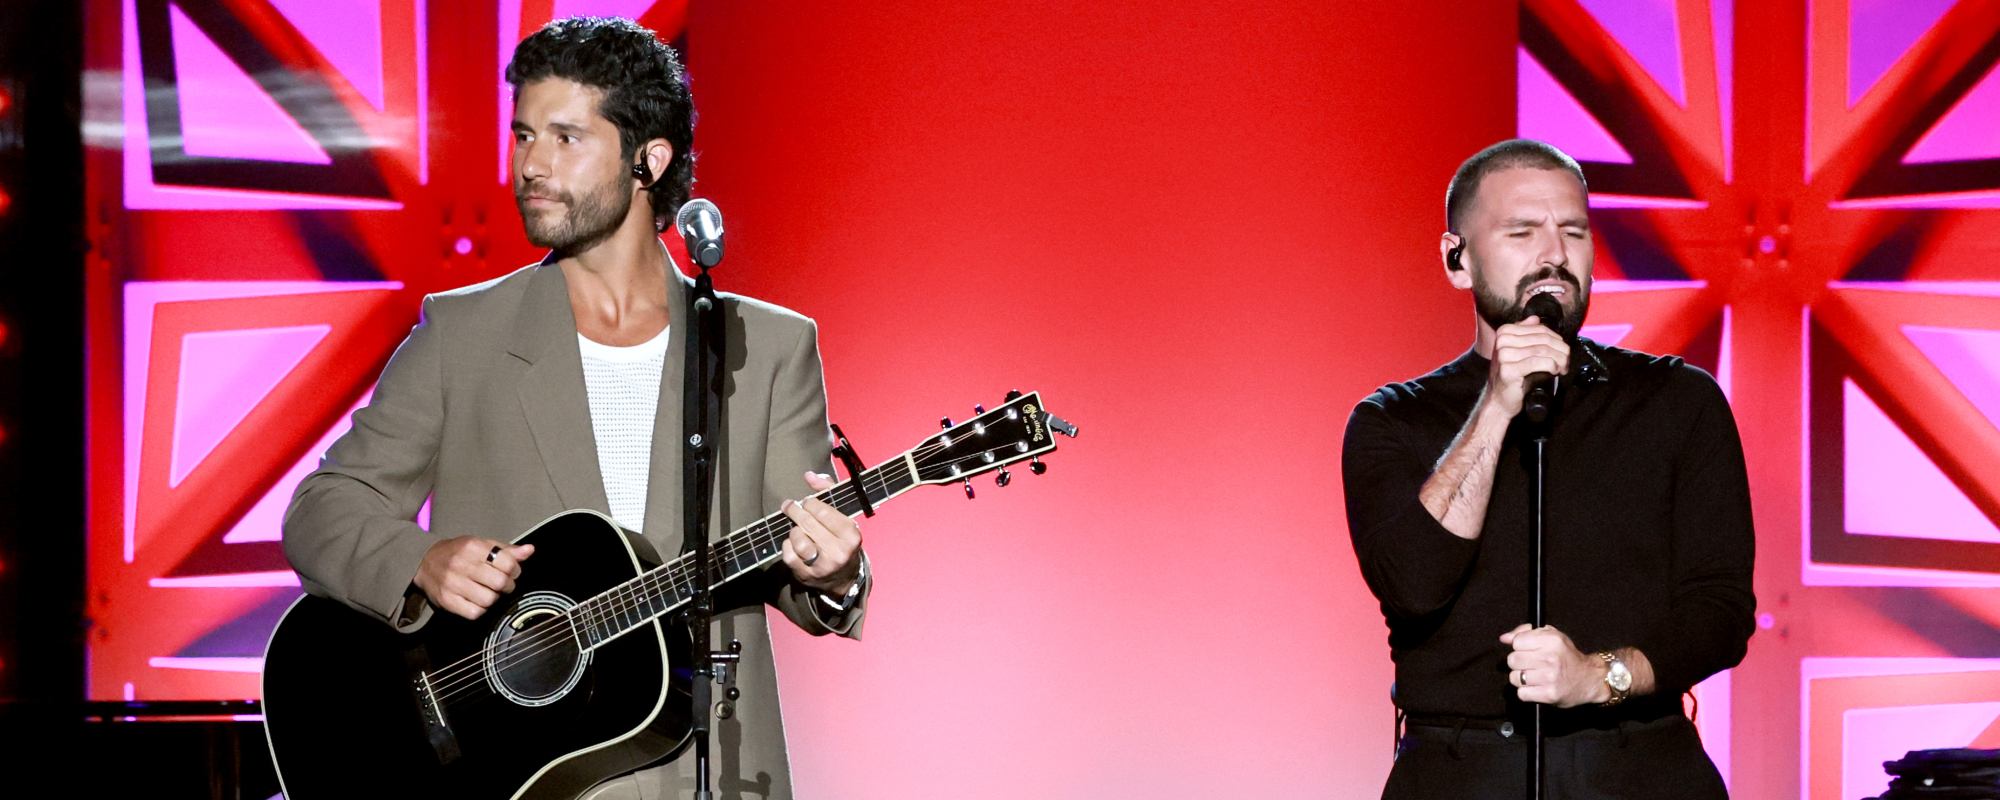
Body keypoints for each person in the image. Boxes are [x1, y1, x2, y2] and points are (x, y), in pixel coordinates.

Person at [282, 17, 868, 800]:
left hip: (708, 768)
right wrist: (417, 563)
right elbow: (322, 510)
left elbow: (798, 562)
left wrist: (836, 575)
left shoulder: (765, 347)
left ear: (648, 159)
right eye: (524, 136)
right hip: (517, 772)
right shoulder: (464, 334)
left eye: (565, 138)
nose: (531, 164)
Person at [1341, 139, 1754, 799]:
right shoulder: (1393, 419)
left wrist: (1599, 676)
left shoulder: (1676, 401)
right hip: (1462, 773)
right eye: (1522, 232)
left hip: (1637, 766)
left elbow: (1720, 613)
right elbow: (1414, 585)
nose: (1555, 255)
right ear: (1456, 259)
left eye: (1574, 232)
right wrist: (1496, 406)